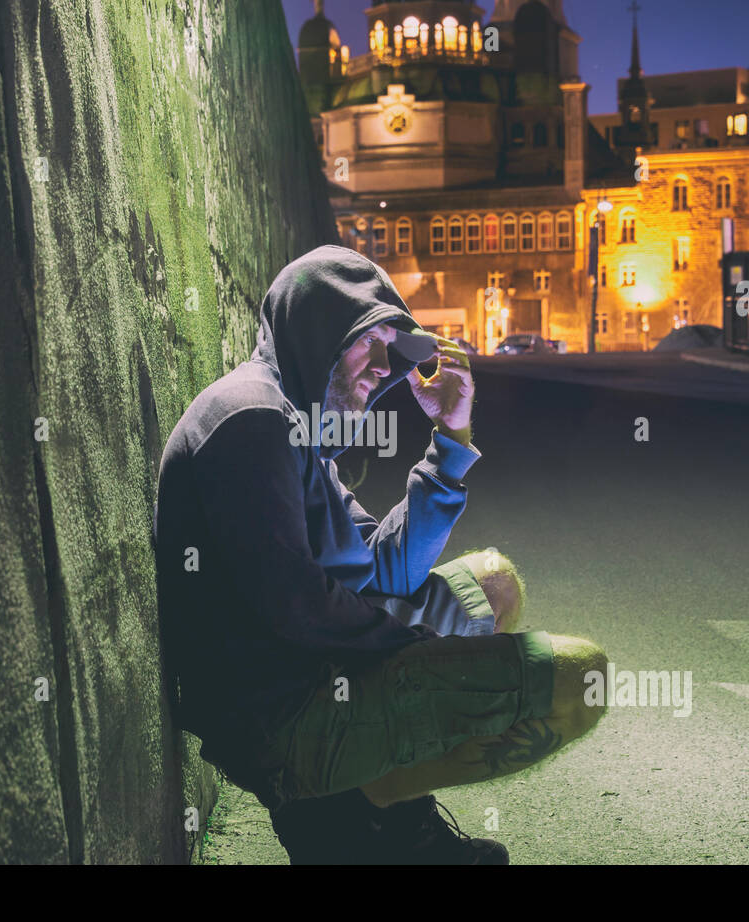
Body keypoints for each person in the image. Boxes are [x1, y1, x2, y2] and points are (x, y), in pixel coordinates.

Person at [153, 245, 608, 864]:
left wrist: (451, 436)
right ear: (318, 332)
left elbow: (382, 568)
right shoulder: (251, 419)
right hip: (284, 722)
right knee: (581, 677)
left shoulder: (300, 430)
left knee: (494, 585)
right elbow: (299, 607)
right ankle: (344, 823)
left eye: (391, 348)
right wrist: (421, 649)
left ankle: (385, 822)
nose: (381, 365)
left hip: (313, 675)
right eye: (368, 341)